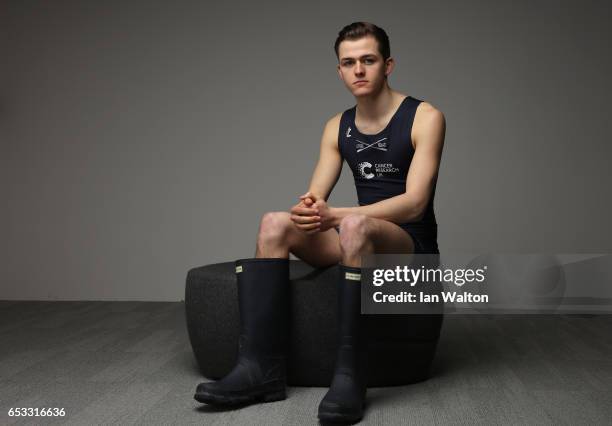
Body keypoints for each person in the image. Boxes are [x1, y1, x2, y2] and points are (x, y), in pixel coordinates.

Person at [194, 21, 445, 423]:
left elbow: (415, 203)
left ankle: (350, 376)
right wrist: (307, 211)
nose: (358, 70)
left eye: (368, 60)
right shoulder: (337, 126)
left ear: (388, 65)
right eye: (349, 63)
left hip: (409, 248)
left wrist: (338, 215)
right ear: (339, 71)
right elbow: (316, 202)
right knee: (274, 223)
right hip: (354, 234)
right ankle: (261, 370)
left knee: (354, 225)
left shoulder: (425, 116)